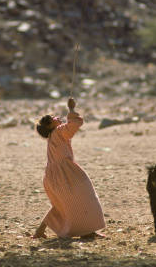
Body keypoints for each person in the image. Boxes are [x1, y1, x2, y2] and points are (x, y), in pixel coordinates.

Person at [33, 99, 106, 239]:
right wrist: (71, 109)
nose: (56, 117)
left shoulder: (53, 136)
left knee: (62, 204)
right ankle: (87, 231)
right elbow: (75, 124)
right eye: (53, 118)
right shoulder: (58, 132)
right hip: (65, 174)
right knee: (84, 196)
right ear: (50, 126)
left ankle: (40, 231)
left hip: (52, 177)